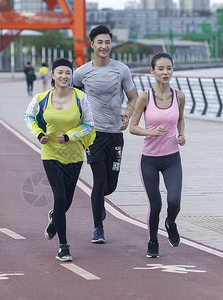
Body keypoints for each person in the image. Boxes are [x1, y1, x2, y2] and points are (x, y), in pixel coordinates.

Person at [24, 58, 95, 261]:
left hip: (74, 155)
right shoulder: (41, 98)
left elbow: (89, 124)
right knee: (60, 198)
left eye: (68, 73)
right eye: (60, 73)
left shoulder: (81, 98)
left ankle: (54, 219)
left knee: (67, 201)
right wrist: (39, 134)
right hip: (51, 154)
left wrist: (70, 136)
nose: (64, 76)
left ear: (72, 76)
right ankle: (63, 247)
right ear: (52, 75)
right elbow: (28, 117)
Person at [72, 24, 137, 243]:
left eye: (107, 42)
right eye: (99, 42)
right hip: (93, 134)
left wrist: (127, 116)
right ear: (92, 45)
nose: (104, 46)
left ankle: (100, 202)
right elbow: (70, 93)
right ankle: (98, 228)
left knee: (110, 186)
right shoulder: (82, 72)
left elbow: (133, 98)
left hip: (115, 134)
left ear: (111, 45)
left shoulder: (121, 70)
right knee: (99, 182)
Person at [129, 52, 186, 258]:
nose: (165, 72)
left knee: (174, 201)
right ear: (152, 71)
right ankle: (153, 241)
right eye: (160, 68)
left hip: (172, 158)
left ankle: (170, 222)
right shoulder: (145, 97)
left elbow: (180, 119)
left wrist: (181, 135)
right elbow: (133, 127)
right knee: (156, 204)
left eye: (169, 68)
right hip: (150, 160)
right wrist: (150, 131)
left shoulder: (179, 96)